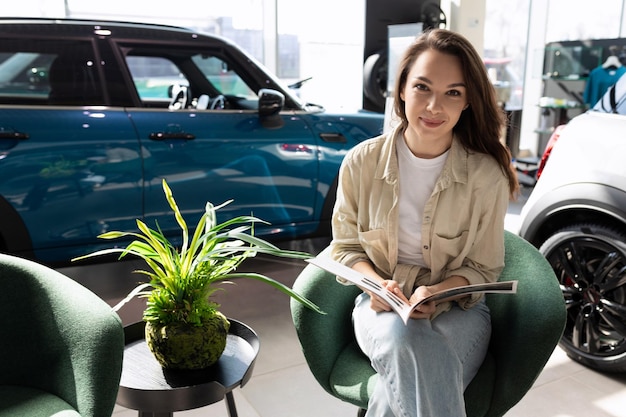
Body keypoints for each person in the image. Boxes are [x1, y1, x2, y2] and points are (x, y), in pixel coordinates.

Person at [330, 28, 519, 417]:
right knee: (405, 340)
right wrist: (376, 285)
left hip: (460, 310)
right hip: (379, 308)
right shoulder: (361, 163)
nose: (434, 106)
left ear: (467, 102)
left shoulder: (487, 176)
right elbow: (345, 248)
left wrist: (439, 294)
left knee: (390, 393)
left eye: (453, 92)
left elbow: (483, 267)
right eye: (422, 87)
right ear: (401, 90)